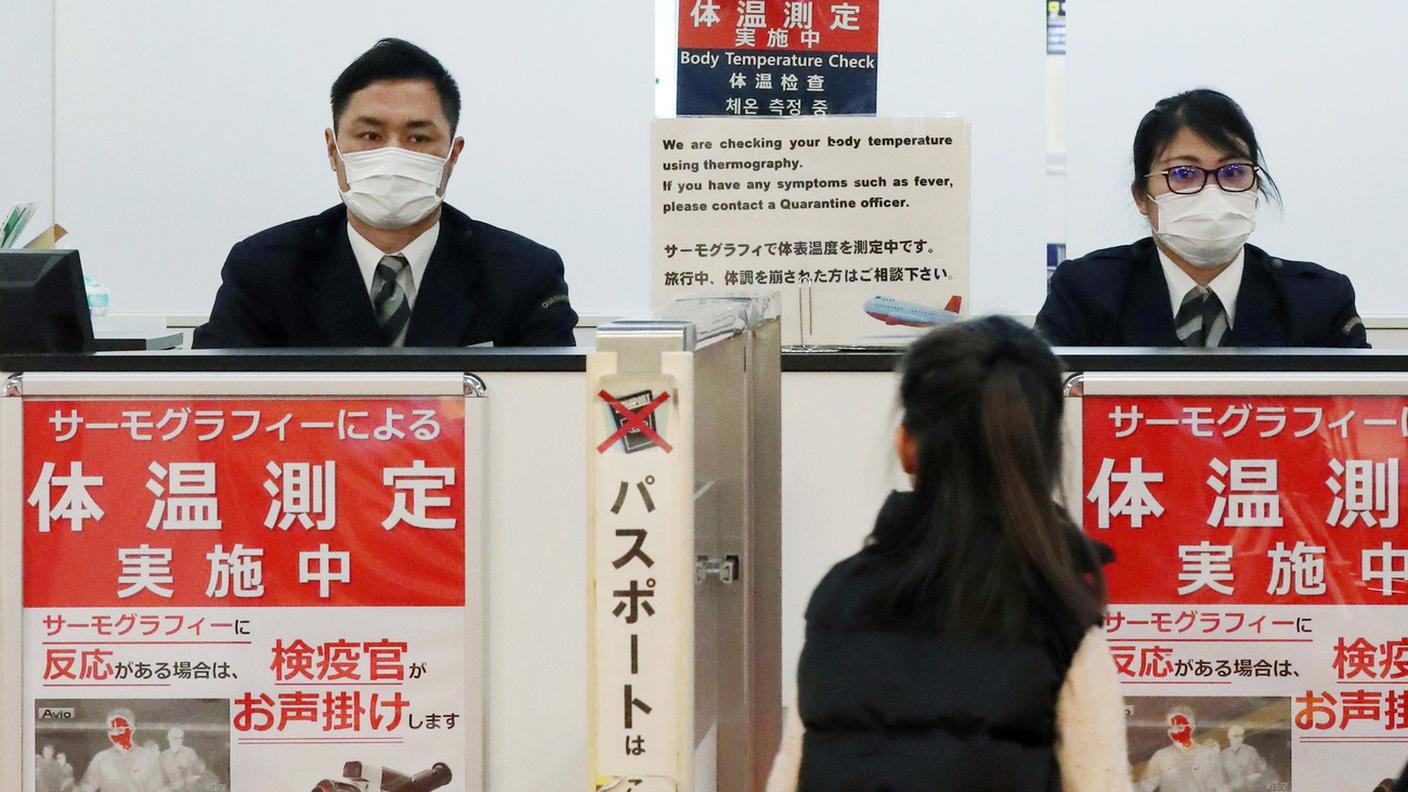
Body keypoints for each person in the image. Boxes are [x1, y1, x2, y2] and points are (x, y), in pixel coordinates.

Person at [765, 316, 1130, 792]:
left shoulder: (841, 597)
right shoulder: (1060, 620)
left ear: (907, 446)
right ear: (1043, 454)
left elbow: (790, 778)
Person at [193, 38, 578, 349]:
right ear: (333, 150)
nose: (393, 155)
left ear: (452, 155)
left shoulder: (524, 275)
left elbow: (555, 418)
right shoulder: (264, 270)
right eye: (370, 136)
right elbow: (211, 413)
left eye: (418, 138)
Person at [1036, 88, 1368, 348]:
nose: (1212, 191)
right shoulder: (1085, 293)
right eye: (1183, 173)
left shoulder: (1319, 301)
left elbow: (1360, 424)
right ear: (1141, 196)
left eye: (1234, 171)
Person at [1135, 706, 1231, 792]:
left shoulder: (1209, 754)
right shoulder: (1160, 756)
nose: (1174, 732)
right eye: (1170, 727)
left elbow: (1222, 788)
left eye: (1179, 727)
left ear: (1192, 728)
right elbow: (1143, 789)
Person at [78, 709, 164, 792]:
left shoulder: (150, 757)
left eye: (120, 730)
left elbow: (160, 789)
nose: (114, 734)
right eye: (110, 730)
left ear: (132, 729)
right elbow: (86, 787)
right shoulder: (100, 759)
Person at [1219, 724, 1277, 792]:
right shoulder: (1223, 754)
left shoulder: (1251, 751)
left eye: (1241, 736)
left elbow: (1259, 772)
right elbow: (1221, 776)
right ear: (1229, 736)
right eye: (1236, 736)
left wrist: (1247, 780)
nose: (1239, 739)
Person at [160, 727, 211, 792]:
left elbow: (197, 773)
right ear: (168, 738)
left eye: (180, 738)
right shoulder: (163, 755)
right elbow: (160, 775)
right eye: (175, 738)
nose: (178, 740)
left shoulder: (190, 752)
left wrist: (186, 782)